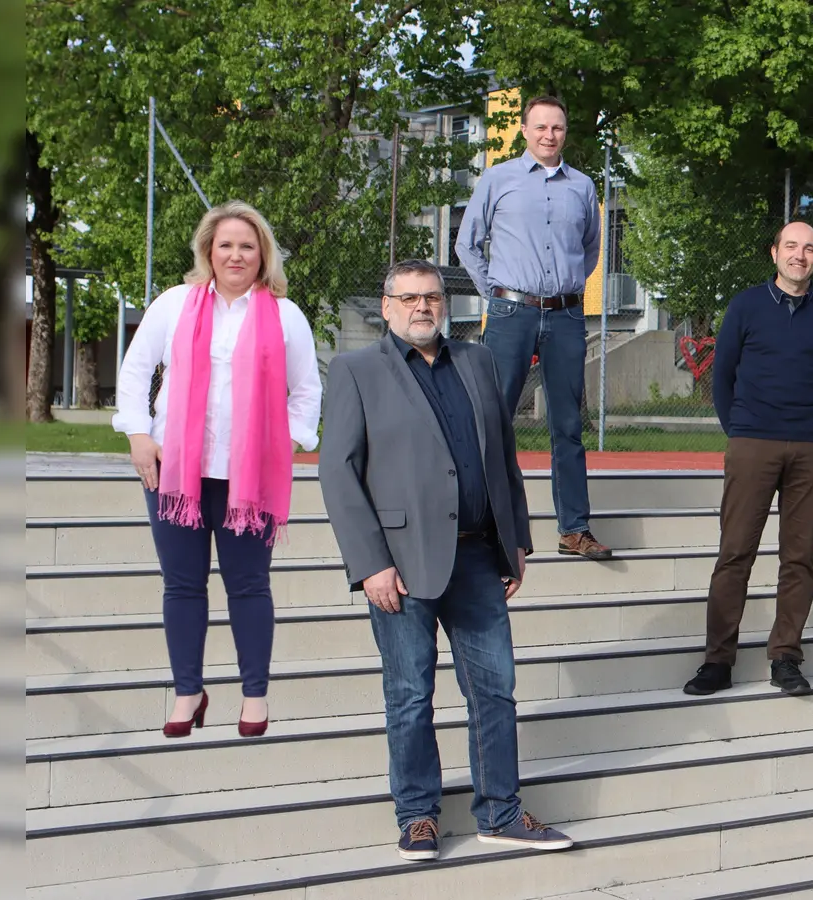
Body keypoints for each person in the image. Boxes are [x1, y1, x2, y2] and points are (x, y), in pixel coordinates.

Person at [320, 259, 573, 860]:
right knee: (409, 695)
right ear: (386, 307)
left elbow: (501, 456)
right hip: (400, 568)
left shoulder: (477, 362)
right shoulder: (357, 371)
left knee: (495, 691)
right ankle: (418, 816)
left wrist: (517, 539)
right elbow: (338, 471)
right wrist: (369, 563)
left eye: (432, 296)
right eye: (408, 298)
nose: (422, 307)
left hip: (479, 558)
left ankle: (501, 812)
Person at [113, 200, 321, 739]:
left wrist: (288, 443)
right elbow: (135, 372)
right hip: (175, 473)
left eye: (247, 246)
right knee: (182, 585)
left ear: (262, 255)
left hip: (247, 478)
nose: (235, 255)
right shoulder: (175, 304)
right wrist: (138, 434)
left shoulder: (285, 314)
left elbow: (307, 391)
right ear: (209, 249)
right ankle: (189, 692)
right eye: (225, 244)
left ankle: (255, 696)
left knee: (248, 585)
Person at [682, 221, 813, 698]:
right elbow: (722, 378)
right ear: (775, 252)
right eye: (792, 246)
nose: (801, 255)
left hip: (811, 447)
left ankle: (786, 656)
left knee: (799, 558)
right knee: (735, 553)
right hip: (752, 441)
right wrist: (739, 429)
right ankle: (718, 660)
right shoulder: (746, 306)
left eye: (810, 249)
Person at [455, 93, 610, 561]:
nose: (549, 135)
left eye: (558, 128)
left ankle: (574, 529)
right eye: (541, 127)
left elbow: (590, 250)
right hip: (510, 314)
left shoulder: (582, 186)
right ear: (525, 131)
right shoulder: (497, 178)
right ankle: (485, 524)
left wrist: (562, 291)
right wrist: (498, 293)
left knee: (567, 425)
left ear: (566, 133)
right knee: (494, 419)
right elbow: (468, 244)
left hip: (564, 316)